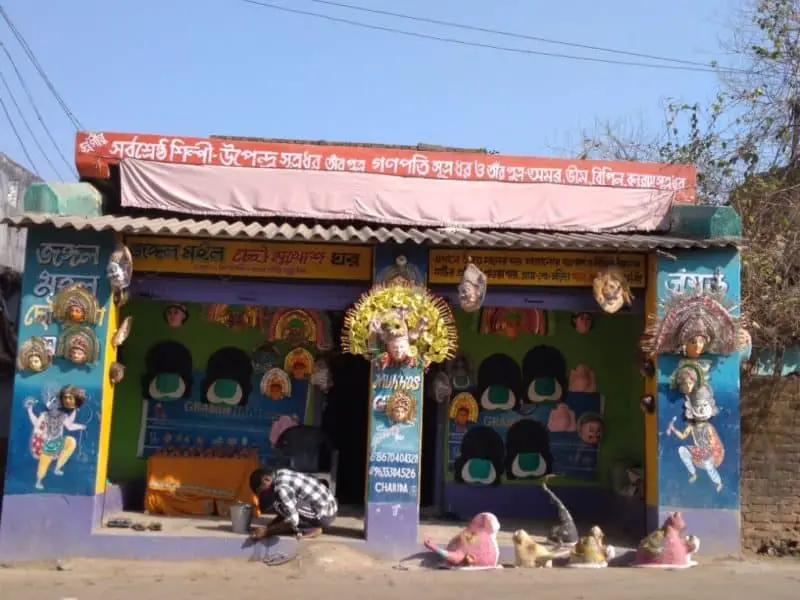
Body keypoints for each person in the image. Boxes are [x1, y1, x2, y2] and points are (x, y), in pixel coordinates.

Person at [249, 467, 338, 540]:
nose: (264, 494)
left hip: (325, 514)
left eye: (262, 490)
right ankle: (303, 525)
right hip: (328, 505)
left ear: (266, 479)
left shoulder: (282, 488)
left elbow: (292, 519)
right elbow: (285, 511)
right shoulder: (280, 473)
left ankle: (312, 529)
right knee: (283, 505)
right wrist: (269, 526)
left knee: (288, 514)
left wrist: (268, 531)